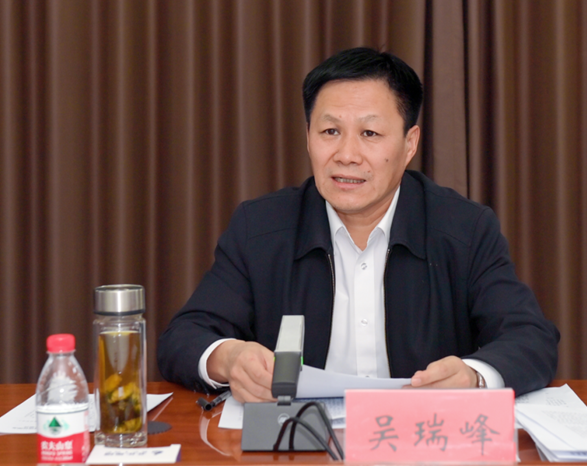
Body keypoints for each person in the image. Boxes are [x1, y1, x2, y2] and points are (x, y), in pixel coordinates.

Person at [157, 47, 559, 402]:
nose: (347, 154)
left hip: (419, 443)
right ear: (308, 137)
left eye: (370, 133)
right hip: (300, 443)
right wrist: (229, 358)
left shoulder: (464, 228)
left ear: (409, 144)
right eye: (330, 131)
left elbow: (530, 337)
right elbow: (184, 337)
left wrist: (473, 376)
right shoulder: (260, 227)